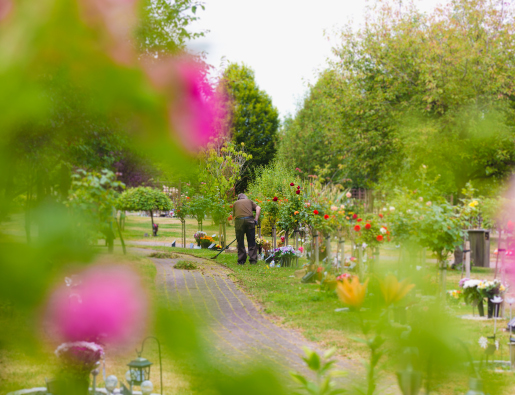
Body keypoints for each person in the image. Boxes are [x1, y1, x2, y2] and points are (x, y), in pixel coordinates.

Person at [232, 193, 261, 265]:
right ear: (245, 198)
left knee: (240, 241)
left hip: (239, 221)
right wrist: (256, 219)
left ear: (239, 199)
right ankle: (253, 260)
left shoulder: (235, 203)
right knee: (251, 240)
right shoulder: (249, 201)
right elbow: (258, 208)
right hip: (250, 221)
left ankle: (241, 261)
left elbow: (234, 216)